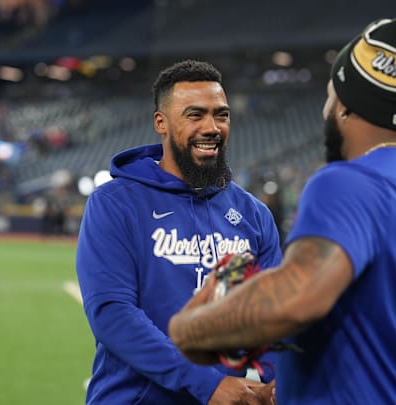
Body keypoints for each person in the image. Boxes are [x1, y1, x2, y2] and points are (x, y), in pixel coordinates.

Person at [169, 17, 396, 404]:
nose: (325, 109)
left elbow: (296, 298)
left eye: (328, 96)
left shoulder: (344, 181)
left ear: (345, 106)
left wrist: (190, 328)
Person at [75, 60, 282, 405]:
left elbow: (275, 316)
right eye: (195, 114)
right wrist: (207, 384)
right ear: (162, 123)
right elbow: (112, 314)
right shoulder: (115, 203)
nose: (212, 126)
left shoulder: (254, 215)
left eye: (222, 114)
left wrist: (276, 383)